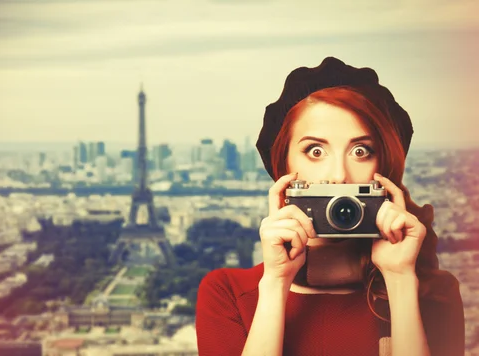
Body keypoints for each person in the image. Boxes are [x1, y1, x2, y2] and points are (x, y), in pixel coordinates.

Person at [195, 57, 465, 356]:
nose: (338, 175)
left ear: (385, 168)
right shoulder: (228, 293)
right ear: (284, 167)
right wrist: (275, 283)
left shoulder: (432, 293)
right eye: (315, 150)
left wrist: (400, 281)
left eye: (361, 151)